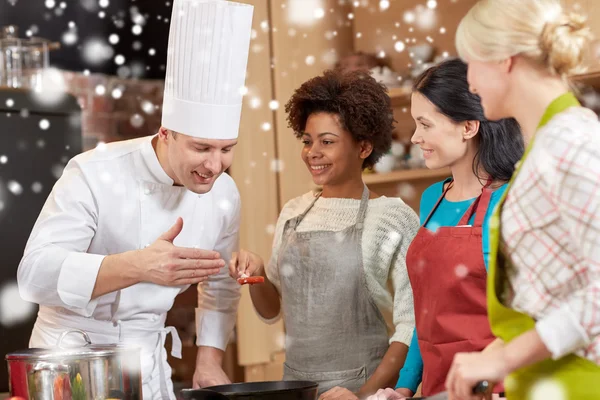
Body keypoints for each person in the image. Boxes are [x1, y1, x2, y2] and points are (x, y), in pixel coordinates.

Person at [16, 1, 254, 398]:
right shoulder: (94, 172)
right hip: (71, 364)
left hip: (148, 366)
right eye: (201, 148)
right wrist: (136, 265)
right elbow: (34, 276)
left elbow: (219, 284)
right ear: (165, 134)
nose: (215, 165)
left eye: (227, 149)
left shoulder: (225, 194)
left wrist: (210, 359)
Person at [229, 69, 420, 398]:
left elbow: (410, 325)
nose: (311, 152)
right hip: (297, 388)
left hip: (367, 389)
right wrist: (257, 273)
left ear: (363, 147)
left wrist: (363, 396)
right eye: (307, 141)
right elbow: (273, 308)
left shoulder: (392, 217)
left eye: (327, 142)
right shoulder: (293, 212)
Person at [443, 0, 600, 399]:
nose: (470, 82)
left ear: (503, 59)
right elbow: (556, 297)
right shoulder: (546, 146)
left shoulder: (570, 143)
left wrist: (506, 358)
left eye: (471, 64)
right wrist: (496, 353)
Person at [367, 58, 523, 400]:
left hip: (497, 390)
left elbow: (528, 320)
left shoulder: (511, 203)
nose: (415, 137)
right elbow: (428, 315)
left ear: (468, 127)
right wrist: (405, 387)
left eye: (425, 124)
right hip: (439, 389)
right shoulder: (432, 199)